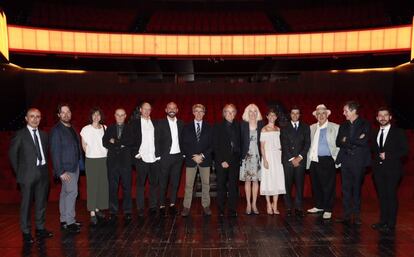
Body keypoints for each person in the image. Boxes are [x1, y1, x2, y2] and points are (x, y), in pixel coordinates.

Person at [9, 108, 53, 244]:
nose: (35, 119)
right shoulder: (20, 135)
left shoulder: (45, 135)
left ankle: (40, 228)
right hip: (27, 175)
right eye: (32, 116)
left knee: (41, 203)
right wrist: (20, 173)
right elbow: (12, 156)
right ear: (26, 119)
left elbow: (45, 154)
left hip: (43, 174)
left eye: (38, 116)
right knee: (26, 205)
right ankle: (26, 232)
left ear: (40, 118)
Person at [371, 107, 408, 233]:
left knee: (391, 196)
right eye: (380, 115)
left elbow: (405, 151)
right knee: (382, 196)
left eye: (385, 115)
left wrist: (389, 155)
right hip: (378, 170)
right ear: (377, 118)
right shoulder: (374, 132)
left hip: (393, 170)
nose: (383, 118)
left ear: (390, 117)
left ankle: (391, 224)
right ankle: (383, 222)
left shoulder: (398, 132)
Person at [335, 101, 371, 225]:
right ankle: (346, 215)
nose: (343, 113)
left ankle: (356, 216)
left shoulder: (365, 124)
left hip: (359, 161)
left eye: (346, 111)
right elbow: (338, 142)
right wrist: (355, 139)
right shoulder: (343, 125)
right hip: (345, 160)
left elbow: (364, 141)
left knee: (356, 188)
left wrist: (347, 140)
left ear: (353, 111)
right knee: (345, 189)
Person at [50, 103, 82, 233]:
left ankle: (64, 219)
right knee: (72, 192)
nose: (66, 114)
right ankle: (70, 222)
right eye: (63, 112)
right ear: (58, 115)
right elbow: (54, 152)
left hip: (74, 166)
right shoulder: (56, 130)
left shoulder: (72, 128)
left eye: (68, 112)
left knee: (65, 193)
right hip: (66, 168)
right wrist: (60, 171)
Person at [124, 102, 160, 217]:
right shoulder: (134, 123)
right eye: (145, 109)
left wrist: (158, 155)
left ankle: (153, 206)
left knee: (154, 184)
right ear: (140, 110)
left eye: (149, 109)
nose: (147, 111)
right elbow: (130, 140)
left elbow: (158, 139)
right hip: (141, 158)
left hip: (154, 158)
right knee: (140, 185)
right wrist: (136, 154)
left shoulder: (155, 123)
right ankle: (140, 208)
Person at [306, 105, 340, 220]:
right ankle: (319, 206)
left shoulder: (335, 127)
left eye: (323, 113)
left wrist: (336, 158)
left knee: (328, 186)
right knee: (316, 185)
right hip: (314, 160)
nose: (321, 115)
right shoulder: (311, 128)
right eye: (318, 114)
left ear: (327, 114)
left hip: (328, 160)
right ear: (316, 116)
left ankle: (328, 209)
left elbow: (339, 145)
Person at [181, 104, 213, 217]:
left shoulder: (210, 127)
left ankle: (206, 205)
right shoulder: (186, 127)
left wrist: (202, 156)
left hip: (205, 160)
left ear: (204, 113)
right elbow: (183, 144)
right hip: (191, 160)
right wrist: (193, 156)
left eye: (201, 111)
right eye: (196, 111)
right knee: (189, 185)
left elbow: (212, 145)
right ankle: (186, 206)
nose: (199, 113)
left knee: (206, 184)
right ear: (193, 112)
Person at [102, 108, 132, 222]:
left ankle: (128, 211)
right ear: (114, 116)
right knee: (112, 188)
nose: (120, 117)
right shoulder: (109, 128)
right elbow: (104, 142)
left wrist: (115, 142)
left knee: (127, 188)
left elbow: (131, 142)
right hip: (112, 163)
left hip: (126, 162)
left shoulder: (130, 128)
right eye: (118, 115)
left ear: (125, 116)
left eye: (122, 115)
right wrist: (121, 144)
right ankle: (113, 211)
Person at [80, 107, 109, 225]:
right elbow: (84, 146)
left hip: (104, 159)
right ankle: (92, 211)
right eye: (94, 115)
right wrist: (91, 153)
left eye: (98, 115)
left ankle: (97, 209)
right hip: (91, 160)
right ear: (91, 116)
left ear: (101, 116)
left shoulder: (105, 127)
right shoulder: (86, 129)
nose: (96, 117)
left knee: (101, 185)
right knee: (92, 186)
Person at [280, 106, 310, 217]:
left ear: (300, 115)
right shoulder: (284, 128)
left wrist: (300, 157)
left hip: (300, 160)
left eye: (297, 113)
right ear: (290, 114)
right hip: (288, 160)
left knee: (299, 184)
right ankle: (288, 207)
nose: (295, 115)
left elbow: (307, 144)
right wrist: (293, 159)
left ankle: (298, 206)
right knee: (287, 185)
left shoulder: (306, 127)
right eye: (293, 113)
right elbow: (284, 145)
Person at [156, 102, 184, 216]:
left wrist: (183, 155)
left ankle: (172, 204)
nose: (172, 110)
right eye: (169, 108)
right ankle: (162, 205)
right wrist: (158, 156)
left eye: (174, 108)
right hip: (165, 157)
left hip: (178, 157)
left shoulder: (181, 123)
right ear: (166, 110)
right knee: (163, 183)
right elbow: (156, 140)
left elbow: (183, 139)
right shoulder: (160, 123)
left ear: (177, 110)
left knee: (175, 183)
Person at [213, 104, 241, 217]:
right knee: (221, 186)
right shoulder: (217, 126)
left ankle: (232, 209)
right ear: (224, 113)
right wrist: (222, 160)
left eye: (232, 112)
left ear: (235, 114)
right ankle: (220, 209)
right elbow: (215, 146)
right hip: (222, 161)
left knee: (234, 187)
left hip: (234, 161)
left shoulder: (238, 126)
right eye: (227, 112)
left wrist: (236, 159)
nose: (230, 114)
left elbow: (239, 145)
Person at [260, 109, 285, 215]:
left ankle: (275, 205)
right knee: (268, 180)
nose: (272, 117)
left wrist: (281, 150)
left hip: (277, 157)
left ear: (276, 117)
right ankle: (268, 204)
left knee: (277, 179)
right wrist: (264, 159)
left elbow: (280, 143)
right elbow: (262, 147)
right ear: (267, 117)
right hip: (268, 157)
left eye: (274, 115)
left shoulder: (278, 129)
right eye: (270, 115)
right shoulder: (264, 129)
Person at [240, 104, 264, 215]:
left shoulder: (261, 124)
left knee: (255, 181)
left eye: (255, 111)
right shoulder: (243, 125)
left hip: (258, 156)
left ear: (257, 113)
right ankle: (248, 204)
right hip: (246, 156)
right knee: (247, 181)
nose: (253, 113)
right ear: (247, 113)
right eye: (251, 111)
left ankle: (254, 204)